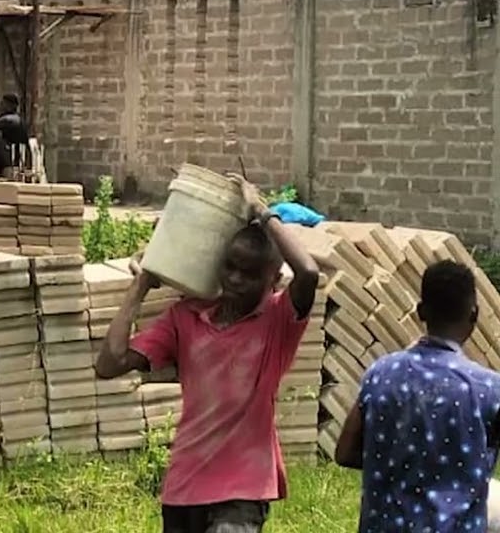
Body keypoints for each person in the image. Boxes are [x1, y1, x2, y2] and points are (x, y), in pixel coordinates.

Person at [93, 175, 320, 533]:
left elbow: (308, 272)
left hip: (243, 489)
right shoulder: (186, 318)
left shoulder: (278, 321)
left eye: (249, 274)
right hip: (185, 484)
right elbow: (109, 364)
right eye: (229, 266)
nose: (234, 279)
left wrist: (261, 210)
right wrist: (139, 287)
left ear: (273, 280)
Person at [334, 259, 500, 532]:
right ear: (474, 314)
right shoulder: (489, 390)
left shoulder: (381, 374)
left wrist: (400, 464)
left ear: (421, 312)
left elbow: (344, 453)